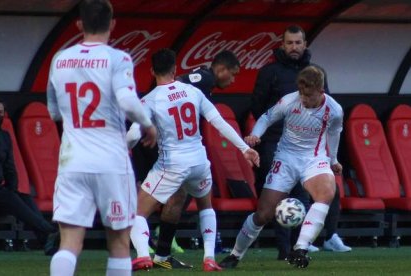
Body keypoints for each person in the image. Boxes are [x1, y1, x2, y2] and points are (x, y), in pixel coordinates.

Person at [46, 1, 157, 275]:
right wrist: (148, 124)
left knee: (69, 243)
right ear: (113, 24)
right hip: (111, 162)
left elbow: (53, 112)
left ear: (79, 25)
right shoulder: (118, 59)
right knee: (119, 243)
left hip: (73, 161)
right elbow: (128, 101)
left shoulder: (59, 60)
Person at [128, 48, 259, 272]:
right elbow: (219, 122)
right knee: (205, 207)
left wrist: (123, 151)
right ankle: (208, 259)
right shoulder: (192, 91)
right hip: (199, 161)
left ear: (152, 71)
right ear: (175, 69)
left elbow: (132, 135)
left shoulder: (149, 99)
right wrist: (244, 148)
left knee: (136, 212)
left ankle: (143, 256)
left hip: (173, 163)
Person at [219, 65, 342, 269]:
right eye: (302, 93)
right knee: (263, 214)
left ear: (321, 91)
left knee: (327, 192)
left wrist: (333, 160)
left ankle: (300, 249)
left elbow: (334, 133)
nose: (304, 99)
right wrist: (256, 134)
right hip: (285, 159)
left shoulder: (334, 110)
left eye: (309, 95)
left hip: (314, 158)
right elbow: (267, 117)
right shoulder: (289, 100)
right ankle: (235, 255)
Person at [251, 25, 350, 258]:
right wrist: (267, 132)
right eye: (289, 43)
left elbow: (327, 111)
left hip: (309, 147)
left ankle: (307, 242)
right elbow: (258, 107)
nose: (294, 47)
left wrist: (330, 155)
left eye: (298, 42)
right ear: (282, 45)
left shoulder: (316, 72)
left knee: (319, 191)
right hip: (276, 142)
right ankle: (284, 249)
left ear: (305, 45)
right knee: (278, 197)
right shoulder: (270, 72)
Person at [0, 99, 59, 255]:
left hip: (0, 190)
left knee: (23, 197)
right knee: (8, 197)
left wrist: (13, 189)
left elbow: (10, 167)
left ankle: (47, 243)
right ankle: (48, 229)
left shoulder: (4, 137)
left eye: (0, 113)